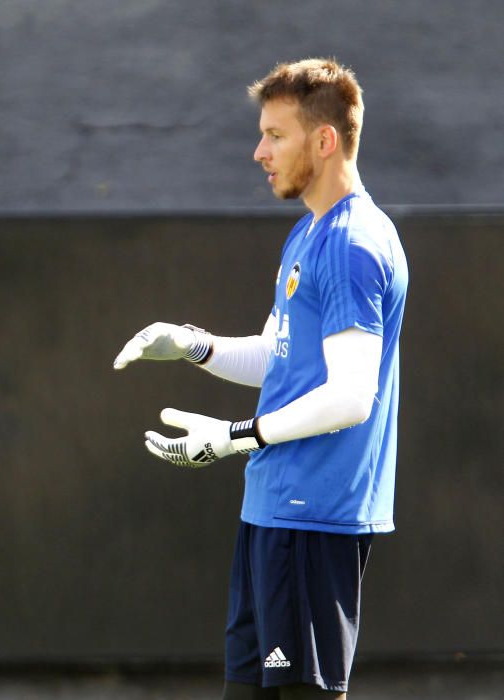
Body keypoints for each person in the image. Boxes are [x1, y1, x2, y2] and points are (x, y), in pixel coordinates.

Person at [113, 59, 407, 699]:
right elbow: (279, 357)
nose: (259, 152)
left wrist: (232, 437)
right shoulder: (308, 234)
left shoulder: (354, 243)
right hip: (272, 514)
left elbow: (351, 397)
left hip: (315, 520)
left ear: (324, 141)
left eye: (276, 135)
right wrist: (192, 345)